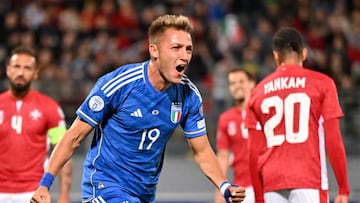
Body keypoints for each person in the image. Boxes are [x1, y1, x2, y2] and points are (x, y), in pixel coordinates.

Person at [30, 14, 246, 203]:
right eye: (176, 48)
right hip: (106, 185)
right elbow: (74, 137)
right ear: (154, 50)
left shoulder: (188, 95)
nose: (185, 56)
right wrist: (45, 183)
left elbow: (201, 150)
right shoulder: (119, 84)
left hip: (143, 193)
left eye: (188, 49)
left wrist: (224, 185)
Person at [245, 27, 350, 203]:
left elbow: (253, 152)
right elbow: (333, 139)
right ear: (304, 53)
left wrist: (258, 197)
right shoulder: (323, 84)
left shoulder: (258, 92)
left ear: (276, 56)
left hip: (271, 181)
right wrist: (343, 188)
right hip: (308, 178)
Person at [0, 46, 72, 203]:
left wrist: (64, 195)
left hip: (33, 192)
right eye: (16, 66)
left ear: (35, 73)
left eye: (27, 68)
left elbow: (63, 149)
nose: (21, 73)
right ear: (8, 70)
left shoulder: (49, 108)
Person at [214, 68, 256, 203]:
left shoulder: (265, 111)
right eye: (232, 83)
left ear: (251, 84)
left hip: (269, 185)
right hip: (243, 190)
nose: (237, 86)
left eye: (241, 81)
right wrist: (219, 194)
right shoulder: (226, 119)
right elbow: (223, 158)